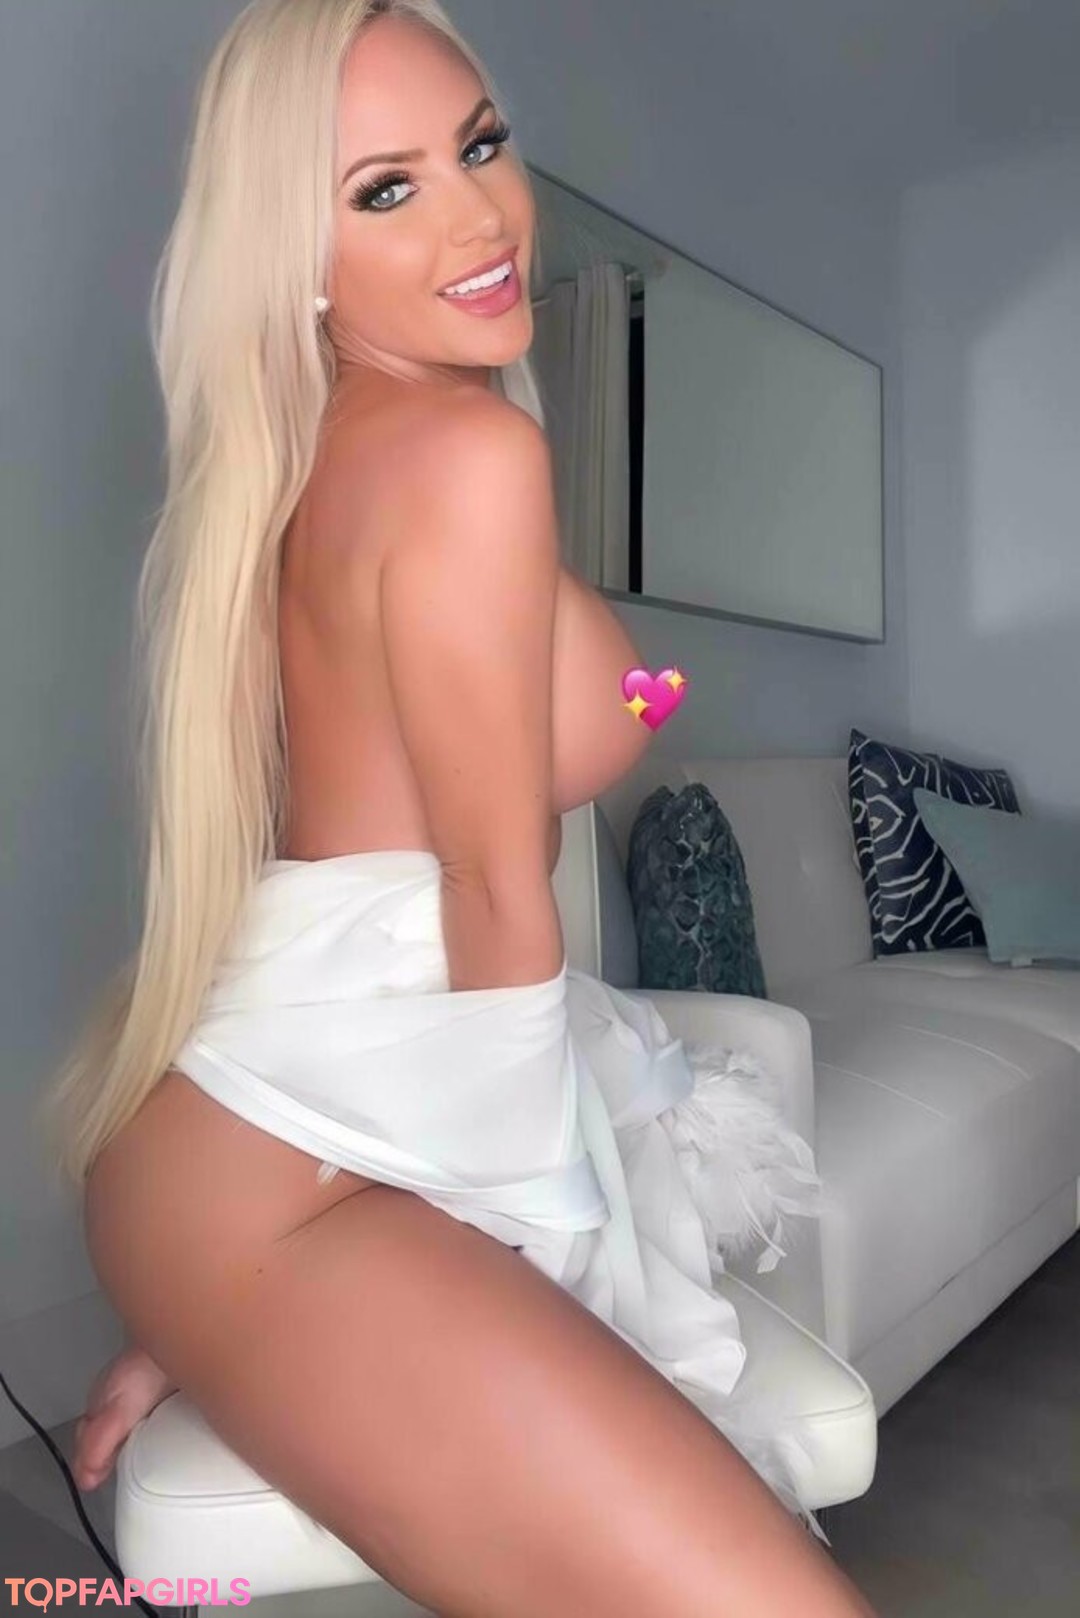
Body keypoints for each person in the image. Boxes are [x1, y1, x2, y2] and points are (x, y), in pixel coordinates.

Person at [41, 3, 879, 1614]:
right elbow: (501, 894)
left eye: (480, 146)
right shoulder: (463, 462)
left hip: (245, 1137)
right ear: (296, 255)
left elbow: (419, 800)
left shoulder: (318, 457)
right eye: (386, 189)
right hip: (312, 1171)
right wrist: (534, 1272)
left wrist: (636, 699)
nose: (480, 216)